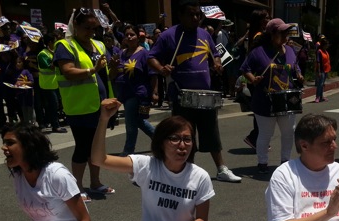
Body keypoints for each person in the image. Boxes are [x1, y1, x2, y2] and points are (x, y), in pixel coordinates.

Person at [148, 0, 241, 183]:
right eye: (191, 14)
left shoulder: (204, 34)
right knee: (184, 135)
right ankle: (185, 171)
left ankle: (221, 169)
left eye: (198, 14)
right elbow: (151, 57)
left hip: (205, 94)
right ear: (180, 16)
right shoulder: (168, 36)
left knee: (212, 132)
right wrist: (161, 69)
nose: (196, 18)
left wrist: (217, 63)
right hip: (182, 94)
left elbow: (215, 54)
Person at [91, 99, 214, 221]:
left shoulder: (200, 177)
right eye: (174, 139)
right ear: (161, 142)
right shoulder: (147, 166)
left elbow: (202, 219)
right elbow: (99, 160)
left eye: (187, 139)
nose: (182, 145)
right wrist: (103, 119)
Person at [54, 8, 116, 202]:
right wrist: (92, 69)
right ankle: (77, 187)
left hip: (101, 105)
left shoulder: (98, 45)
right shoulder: (65, 45)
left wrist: (114, 67)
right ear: (75, 26)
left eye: (94, 28)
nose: (91, 32)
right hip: (79, 107)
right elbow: (68, 71)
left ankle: (96, 182)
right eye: (87, 28)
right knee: (83, 147)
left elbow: (106, 73)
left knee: (96, 147)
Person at [1, 122, 93, 221]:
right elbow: (37, 218)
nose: (3, 148)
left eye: (10, 143)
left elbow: (84, 220)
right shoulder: (19, 176)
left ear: (28, 146)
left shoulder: (57, 175)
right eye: (4, 143)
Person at [241, 18, 304, 174]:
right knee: (265, 134)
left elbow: (295, 67)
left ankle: (285, 162)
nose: (285, 36)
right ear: (271, 34)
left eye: (286, 33)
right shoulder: (259, 52)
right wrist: (253, 79)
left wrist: (299, 75)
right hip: (265, 100)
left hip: (287, 100)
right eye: (282, 33)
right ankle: (262, 162)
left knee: (288, 133)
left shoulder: (290, 50)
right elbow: (245, 68)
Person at [109, 24, 156, 156]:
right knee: (138, 121)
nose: (129, 37)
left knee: (130, 123)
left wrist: (154, 92)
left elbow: (153, 75)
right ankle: (160, 138)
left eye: (132, 34)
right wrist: (113, 66)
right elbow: (112, 76)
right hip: (124, 93)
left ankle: (128, 150)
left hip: (137, 93)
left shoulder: (144, 54)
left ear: (138, 37)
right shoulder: (120, 54)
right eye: (127, 35)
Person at [242, 8, 270, 150]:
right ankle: (255, 138)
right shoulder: (259, 36)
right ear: (260, 21)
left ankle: (257, 138)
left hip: (254, 77)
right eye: (266, 18)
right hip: (257, 77)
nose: (269, 20)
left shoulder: (254, 34)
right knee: (261, 111)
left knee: (260, 110)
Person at [37, 33, 67, 133]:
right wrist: (56, 57)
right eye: (54, 41)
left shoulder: (52, 53)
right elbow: (51, 67)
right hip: (47, 85)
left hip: (55, 84)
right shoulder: (43, 54)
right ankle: (55, 126)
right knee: (53, 105)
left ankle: (51, 122)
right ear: (50, 42)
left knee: (56, 105)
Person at [314, 37, 330, 102]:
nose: (327, 46)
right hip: (321, 70)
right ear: (323, 45)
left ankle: (321, 96)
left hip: (326, 69)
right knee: (320, 84)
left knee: (322, 84)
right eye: (326, 44)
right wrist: (319, 71)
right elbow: (318, 62)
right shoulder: (319, 51)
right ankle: (317, 97)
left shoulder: (325, 51)